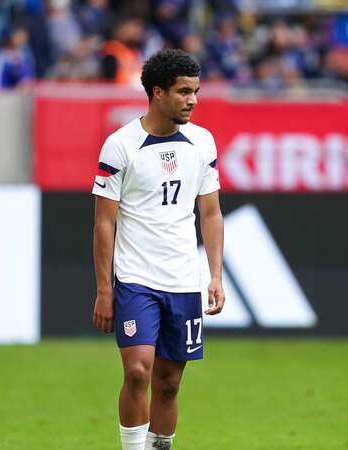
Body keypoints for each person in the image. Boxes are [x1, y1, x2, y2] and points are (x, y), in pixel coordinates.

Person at [91, 48, 225, 450]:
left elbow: (212, 214)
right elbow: (103, 222)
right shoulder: (120, 146)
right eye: (184, 91)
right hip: (136, 280)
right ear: (157, 93)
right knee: (137, 372)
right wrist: (103, 289)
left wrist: (214, 275)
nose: (193, 100)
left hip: (183, 280)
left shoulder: (202, 142)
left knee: (168, 384)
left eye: (196, 91)